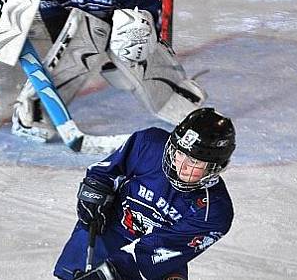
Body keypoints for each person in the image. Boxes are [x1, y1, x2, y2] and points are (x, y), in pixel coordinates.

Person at [10, 0, 205, 141]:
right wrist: (11, 13)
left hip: (117, 36)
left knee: (136, 30)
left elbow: (152, 11)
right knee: (84, 40)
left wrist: (143, 34)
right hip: (72, 33)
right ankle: (35, 111)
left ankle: (176, 98)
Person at [54, 107, 236, 280]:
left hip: (157, 260)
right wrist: (93, 193)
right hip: (110, 229)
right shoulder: (150, 144)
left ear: (214, 167)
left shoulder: (214, 212)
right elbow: (104, 172)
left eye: (195, 162)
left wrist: (107, 275)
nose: (182, 166)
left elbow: (157, 251)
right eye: (179, 153)